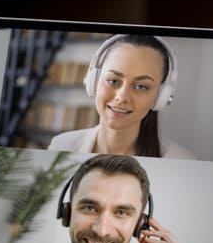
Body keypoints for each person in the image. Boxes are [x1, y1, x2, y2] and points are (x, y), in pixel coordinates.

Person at [19, 155, 184, 243]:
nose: (101, 230)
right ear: (67, 212)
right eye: (90, 208)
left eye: (121, 212)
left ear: (140, 224)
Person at [48, 33, 196, 159]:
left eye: (141, 86)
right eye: (113, 81)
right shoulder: (61, 146)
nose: (122, 97)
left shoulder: (182, 159)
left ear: (161, 97)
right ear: (94, 80)